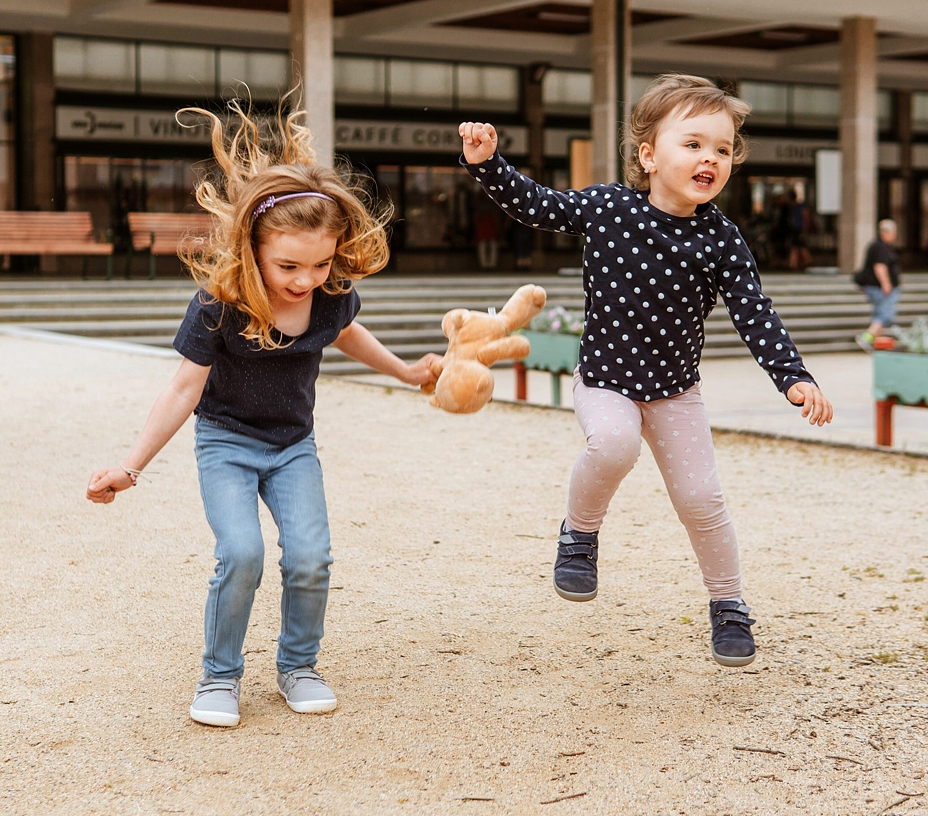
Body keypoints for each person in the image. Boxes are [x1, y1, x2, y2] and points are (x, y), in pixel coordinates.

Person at [459, 73, 833, 669]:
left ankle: (729, 604)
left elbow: (755, 313)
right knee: (612, 444)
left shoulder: (723, 241)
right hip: (605, 380)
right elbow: (539, 206)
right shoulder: (609, 208)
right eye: (693, 144)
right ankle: (579, 537)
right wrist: (487, 164)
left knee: (702, 499)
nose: (710, 157)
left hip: (675, 393)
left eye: (722, 148)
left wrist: (794, 376)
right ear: (649, 155)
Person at [86, 103, 439, 728]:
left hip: (293, 447)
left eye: (322, 263)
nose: (307, 280)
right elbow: (181, 391)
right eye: (289, 267)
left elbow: (349, 335)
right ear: (253, 249)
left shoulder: (329, 296)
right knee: (242, 552)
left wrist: (408, 372)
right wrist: (130, 467)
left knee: (310, 556)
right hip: (226, 443)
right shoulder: (218, 305)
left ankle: (298, 666)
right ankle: (219, 677)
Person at [855, 219, 901, 351]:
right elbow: (880, 267)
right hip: (879, 287)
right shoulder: (880, 247)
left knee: (879, 314)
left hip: (875, 286)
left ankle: (874, 342)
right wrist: (886, 284)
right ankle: (867, 338)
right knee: (885, 315)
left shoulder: (879, 246)